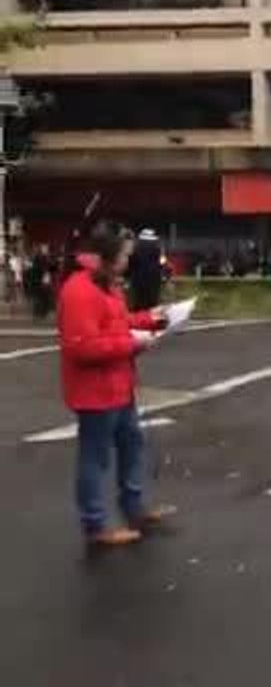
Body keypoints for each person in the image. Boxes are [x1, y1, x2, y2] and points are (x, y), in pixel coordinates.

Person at [58, 222, 173, 547]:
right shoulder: (80, 290)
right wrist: (132, 343)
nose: (128, 261)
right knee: (95, 459)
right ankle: (95, 525)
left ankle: (133, 508)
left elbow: (118, 322)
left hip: (119, 386)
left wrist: (151, 318)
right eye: (124, 255)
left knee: (131, 445)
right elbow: (82, 347)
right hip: (95, 392)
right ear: (107, 255)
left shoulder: (107, 284)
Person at [24, 243, 56, 320]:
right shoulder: (41, 263)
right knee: (42, 298)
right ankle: (41, 313)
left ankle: (39, 313)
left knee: (40, 298)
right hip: (40, 283)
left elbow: (50, 268)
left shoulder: (37, 263)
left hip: (38, 283)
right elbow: (49, 269)